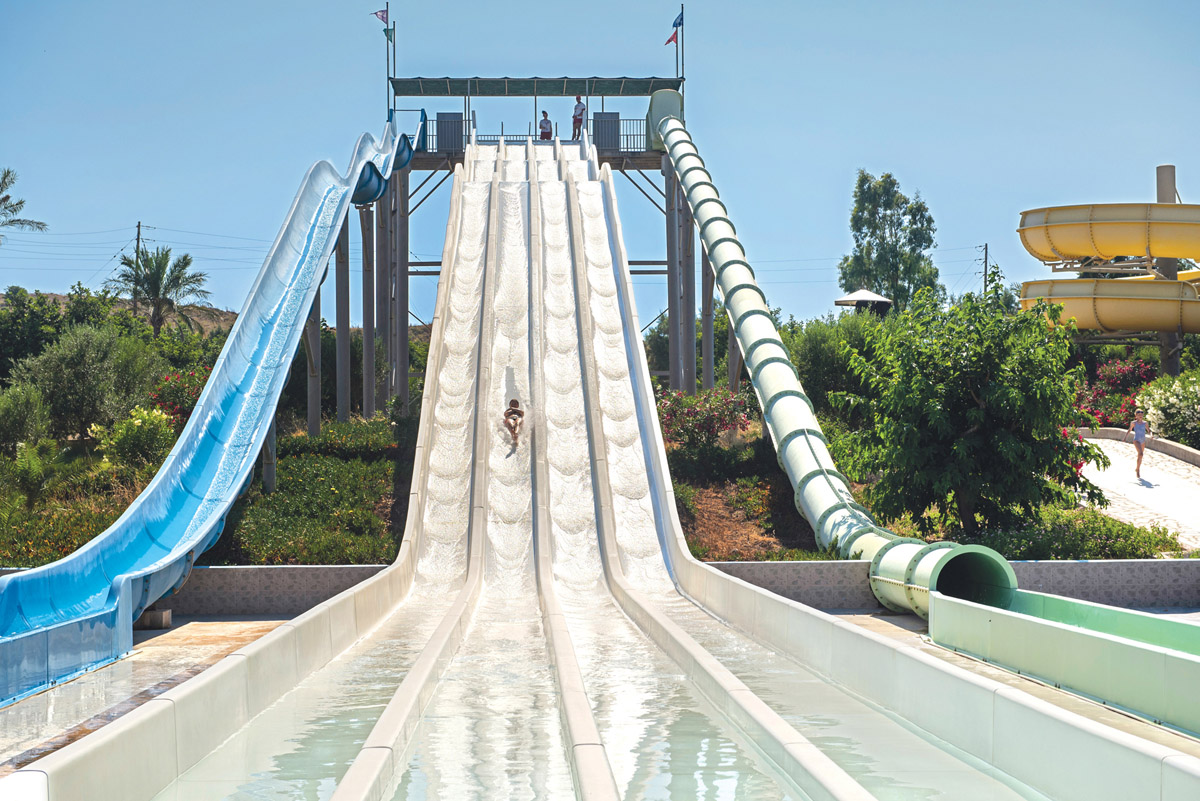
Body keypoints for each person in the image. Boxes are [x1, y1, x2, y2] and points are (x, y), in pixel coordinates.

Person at [1123, 408, 1152, 478]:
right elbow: (1129, 430)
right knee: (1141, 453)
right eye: (1139, 415)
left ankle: (1137, 468)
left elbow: (1149, 430)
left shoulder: (1145, 423)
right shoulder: (1134, 423)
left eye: (1141, 415)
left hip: (1143, 440)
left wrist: (1151, 435)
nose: (1140, 416)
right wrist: (1125, 438)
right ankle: (1138, 470)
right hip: (1136, 440)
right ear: (1136, 416)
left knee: (1140, 456)